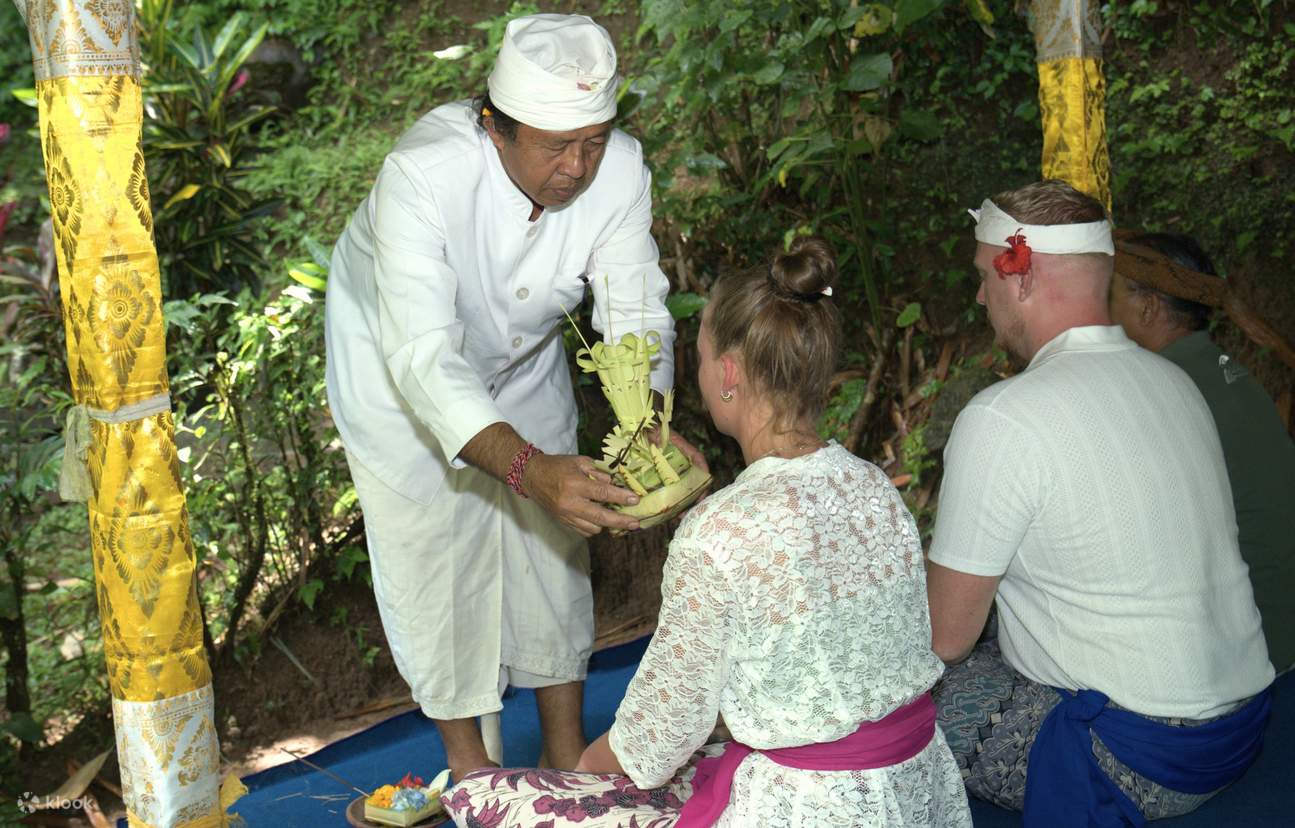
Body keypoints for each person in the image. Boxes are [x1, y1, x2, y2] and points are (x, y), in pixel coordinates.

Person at [444, 238, 972, 828]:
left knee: (484, 798)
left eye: (698, 357)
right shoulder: (874, 485)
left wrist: (579, 772)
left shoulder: (717, 530)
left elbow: (663, 730)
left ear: (728, 374)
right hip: (916, 785)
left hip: (810, 806)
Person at [323, 13, 705, 781]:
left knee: (552, 549)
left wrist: (648, 424)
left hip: (523, 360)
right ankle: (473, 770)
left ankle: (565, 754)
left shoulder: (621, 170)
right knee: (433, 552)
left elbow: (634, 314)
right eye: (556, 145)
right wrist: (529, 469)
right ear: (496, 129)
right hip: (396, 367)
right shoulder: (423, 175)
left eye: (593, 141)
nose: (578, 167)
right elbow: (424, 355)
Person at [927, 180, 1275, 826]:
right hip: (1239, 727)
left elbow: (944, 638)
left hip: (1137, 757)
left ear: (1020, 278)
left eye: (984, 277)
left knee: (886, 688)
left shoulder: (1003, 416)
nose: (980, 296)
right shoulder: (1173, 381)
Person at [1108, 232, 1295, 673]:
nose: (1104, 312)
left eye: (1111, 295)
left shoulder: (1164, 391)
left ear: (1148, 307)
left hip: (1252, 643)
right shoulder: (1223, 372)